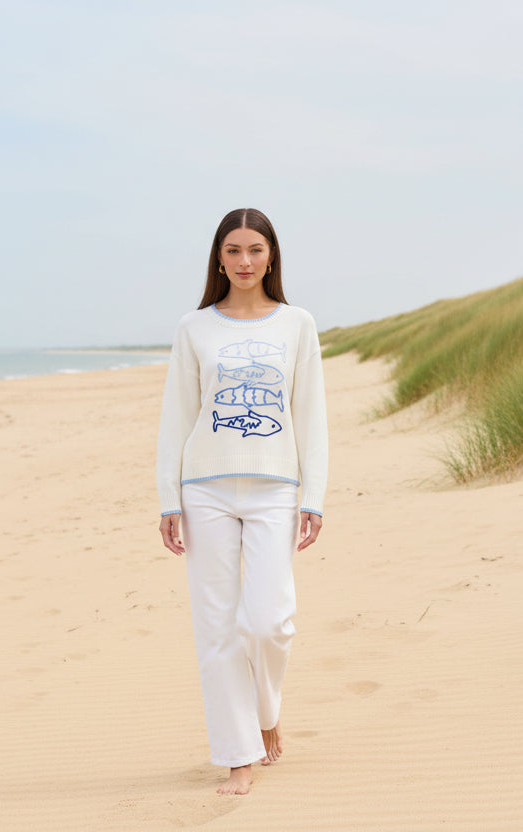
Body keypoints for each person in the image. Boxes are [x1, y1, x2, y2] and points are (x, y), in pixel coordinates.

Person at [156, 207, 329, 795]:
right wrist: (167, 498)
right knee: (218, 628)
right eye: (233, 251)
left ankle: (267, 711)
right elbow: (176, 418)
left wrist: (316, 496)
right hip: (202, 489)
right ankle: (238, 756)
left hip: (275, 488)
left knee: (268, 621)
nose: (245, 261)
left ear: (272, 255)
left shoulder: (297, 324)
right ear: (219, 259)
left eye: (255, 249)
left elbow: (312, 418)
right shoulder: (194, 328)